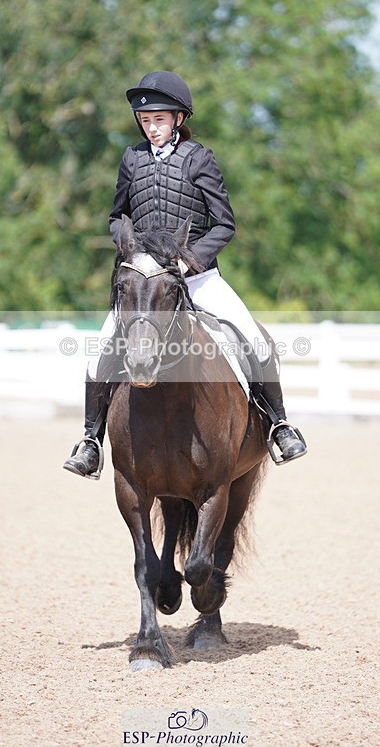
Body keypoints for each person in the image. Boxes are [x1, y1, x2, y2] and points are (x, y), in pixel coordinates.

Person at [64, 71, 307, 478]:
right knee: (100, 353)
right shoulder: (131, 159)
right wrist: (131, 251)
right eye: (145, 121)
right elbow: (115, 216)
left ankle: (280, 425)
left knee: (253, 340)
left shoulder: (200, 159)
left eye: (159, 119)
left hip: (197, 277)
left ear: (178, 118)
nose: (152, 127)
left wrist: (187, 261)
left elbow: (224, 225)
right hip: (145, 282)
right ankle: (90, 440)